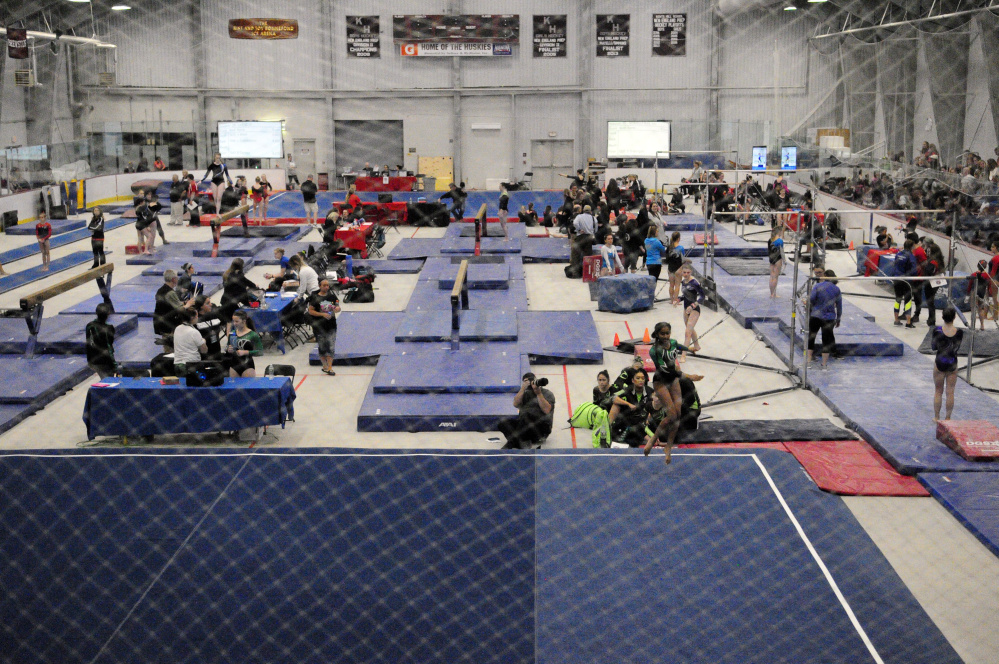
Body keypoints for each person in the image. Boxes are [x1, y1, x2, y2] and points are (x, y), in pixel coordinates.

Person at [643, 322, 703, 463]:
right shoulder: (655, 351)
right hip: (661, 381)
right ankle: (652, 439)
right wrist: (689, 376)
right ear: (657, 334)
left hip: (673, 380)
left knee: (678, 415)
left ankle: (668, 446)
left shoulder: (673, 342)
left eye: (667, 333)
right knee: (671, 415)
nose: (665, 336)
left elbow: (678, 346)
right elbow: (665, 370)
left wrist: (689, 349)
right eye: (662, 334)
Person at [498, 373, 555, 449]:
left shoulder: (547, 393)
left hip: (541, 427)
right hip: (523, 425)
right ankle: (522, 442)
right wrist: (522, 388)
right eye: (526, 381)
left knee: (527, 416)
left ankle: (513, 443)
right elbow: (515, 404)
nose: (530, 383)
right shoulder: (525, 394)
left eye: (531, 380)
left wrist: (538, 393)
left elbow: (546, 410)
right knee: (503, 423)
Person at [608, 368, 655, 447]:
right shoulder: (627, 389)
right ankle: (607, 428)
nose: (640, 380)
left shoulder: (650, 391)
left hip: (644, 419)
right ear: (633, 380)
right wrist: (628, 404)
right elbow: (613, 397)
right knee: (616, 405)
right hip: (630, 418)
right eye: (638, 378)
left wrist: (650, 414)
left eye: (642, 378)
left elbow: (657, 403)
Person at [931, 307, 963, 421]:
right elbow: (957, 347)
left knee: (938, 391)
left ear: (942, 316)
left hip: (940, 362)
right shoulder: (959, 332)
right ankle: (948, 418)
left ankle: (936, 417)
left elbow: (933, 347)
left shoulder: (937, 331)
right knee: (950, 392)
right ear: (954, 317)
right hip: (952, 363)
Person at [807, 269, 842, 369]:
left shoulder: (818, 286)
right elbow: (839, 306)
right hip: (829, 318)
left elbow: (811, 299)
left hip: (816, 315)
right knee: (826, 340)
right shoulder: (836, 289)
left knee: (811, 337)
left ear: (824, 276)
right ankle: (824, 364)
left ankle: (808, 361)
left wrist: (814, 306)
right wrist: (838, 318)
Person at [308, 278, 340, 376]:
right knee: (322, 346)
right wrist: (322, 314)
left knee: (331, 346)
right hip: (319, 326)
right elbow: (311, 311)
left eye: (327, 285)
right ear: (320, 286)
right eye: (324, 285)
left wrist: (336, 309)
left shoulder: (332, 296)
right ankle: (325, 366)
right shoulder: (315, 298)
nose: (326, 287)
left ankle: (330, 367)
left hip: (331, 325)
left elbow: (338, 307)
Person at [153, 269, 195, 343]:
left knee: (167, 346)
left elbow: (170, 303)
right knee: (171, 346)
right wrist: (188, 305)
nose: (178, 279)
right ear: (173, 279)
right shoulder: (170, 293)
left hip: (161, 323)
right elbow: (179, 309)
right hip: (168, 325)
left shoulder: (160, 290)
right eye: (177, 278)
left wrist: (184, 302)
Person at [220, 258, 259, 327]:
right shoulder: (239, 276)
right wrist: (250, 303)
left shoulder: (227, 274)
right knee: (234, 321)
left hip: (225, 301)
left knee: (230, 322)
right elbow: (245, 289)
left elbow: (235, 288)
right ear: (241, 266)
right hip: (230, 304)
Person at [226, 310, 263, 378]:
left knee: (247, 384)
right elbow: (227, 348)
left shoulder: (253, 335)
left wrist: (246, 352)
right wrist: (228, 350)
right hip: (234, 365)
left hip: (247, 366)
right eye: (233, 321)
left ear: (244, 321)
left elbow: (260, 352)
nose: (234, 324)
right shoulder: (232, 333)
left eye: (237, 321)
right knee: (234, 384)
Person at [85, 303, 117, 379]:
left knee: (105, 379)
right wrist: (114, 365)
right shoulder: (109, 328)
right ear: (108, 314)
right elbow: (108, 347)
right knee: (109, 381)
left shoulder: (89, 325)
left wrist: (89, 360)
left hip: (93, 360)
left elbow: (88, 344)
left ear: (96, 313)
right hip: (105, 361)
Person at [173, 308, 207, 377]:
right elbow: (204, 351)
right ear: (192, 317)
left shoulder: (177, 328)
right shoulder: (194, 332)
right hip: (190, 365)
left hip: (177, 364)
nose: (197, 317)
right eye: (196, 316)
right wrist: (204, 342)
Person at [680, 261, 705, 352]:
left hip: (694, 309)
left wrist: (693, 305)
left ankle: (683, 355)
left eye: (688, 272)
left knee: (687, 333)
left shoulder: (694, 283)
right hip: (686, 309)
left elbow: (702, 297)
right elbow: (685, 295)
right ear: (681, 272)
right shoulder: (683, 282)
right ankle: (696, 346)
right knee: (690, 329)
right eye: (684, 272)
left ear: (691, 272)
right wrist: (678, 299)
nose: (686, 274)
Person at [892, 239, 918, 328]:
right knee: (908, 301)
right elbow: (914, 270)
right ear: (911, 247)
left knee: (897, 299)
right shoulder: (911, 256)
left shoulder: (898, 254)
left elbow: (894, 266)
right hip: (906, 280)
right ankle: (908, 322)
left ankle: (896, 319)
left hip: (897, 279)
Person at [193, 295, 225, 360]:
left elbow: (228, 322)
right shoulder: (196, 320)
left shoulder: (214, 315)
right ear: (201, 306)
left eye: (210, 302)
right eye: (208, 303)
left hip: (217, 350)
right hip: (204, 354)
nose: (211, 304)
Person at [968, 260, 991, 330]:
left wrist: (967, 294)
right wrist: (990, 296)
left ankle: (972, 325)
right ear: (985, 267)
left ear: (977, 266)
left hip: (974, 292)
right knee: (980, 309)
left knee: (973, 309)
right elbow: (989, 286)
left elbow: (970, 285)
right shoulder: (987, 275)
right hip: (982, 293)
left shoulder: (974, 274)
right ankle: (982, 325)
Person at [665, 231, 685, 305]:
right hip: (678, 268)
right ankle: (675, 301)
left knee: (671, 285)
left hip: (670, 268)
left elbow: (666, 259)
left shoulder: (669, 247)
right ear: (678, 239)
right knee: (677, 285)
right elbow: (683, 260)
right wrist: (682, 268)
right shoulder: (681, 248)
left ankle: (671, 300)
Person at [767, 225, 784, 298]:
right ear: (779, 232)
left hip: (771, 259)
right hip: (778, 259)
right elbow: (782, 252)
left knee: (771, 277)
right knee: (775, 277)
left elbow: (769, 250)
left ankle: (771, 293)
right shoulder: (780, 241)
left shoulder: (769, 240)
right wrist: (784, 261)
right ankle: (774, 294)